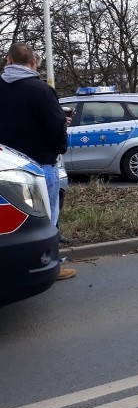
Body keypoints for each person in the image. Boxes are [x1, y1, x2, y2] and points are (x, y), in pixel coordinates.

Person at [0, 43, 76, 279]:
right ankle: (50, 266)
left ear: (8, 60)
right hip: (40, 166)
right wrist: (60, 146)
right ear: (34, 63)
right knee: (45, 220)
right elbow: (55, 127)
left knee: (11, 224)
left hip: (5, 166)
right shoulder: (40, 90)